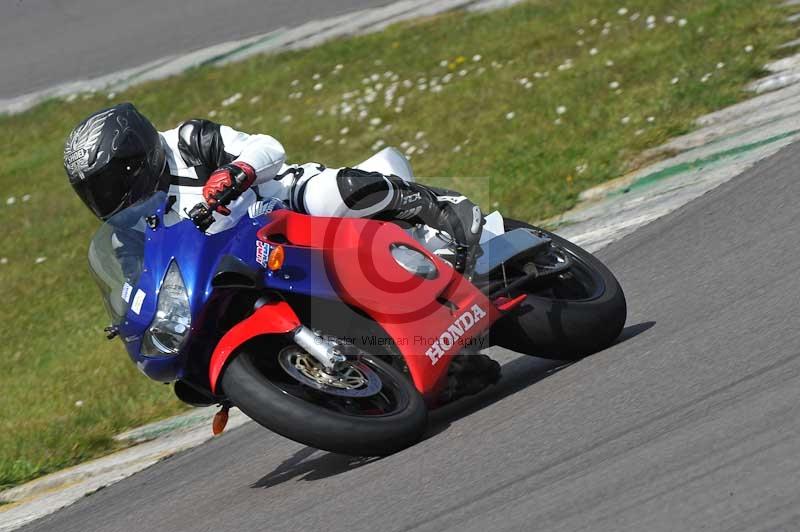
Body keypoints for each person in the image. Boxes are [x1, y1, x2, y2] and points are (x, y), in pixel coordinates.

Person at [63, 102, 483, 271]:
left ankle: (441, 206)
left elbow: (268, 147)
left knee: (323, 194)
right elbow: (144, 287)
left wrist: (239, 169)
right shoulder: (125, 238)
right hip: (244, 265)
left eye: (112, 182)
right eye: (95, 191)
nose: (109, 198)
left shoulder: (188, 141)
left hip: (279, 207)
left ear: (137, 159)